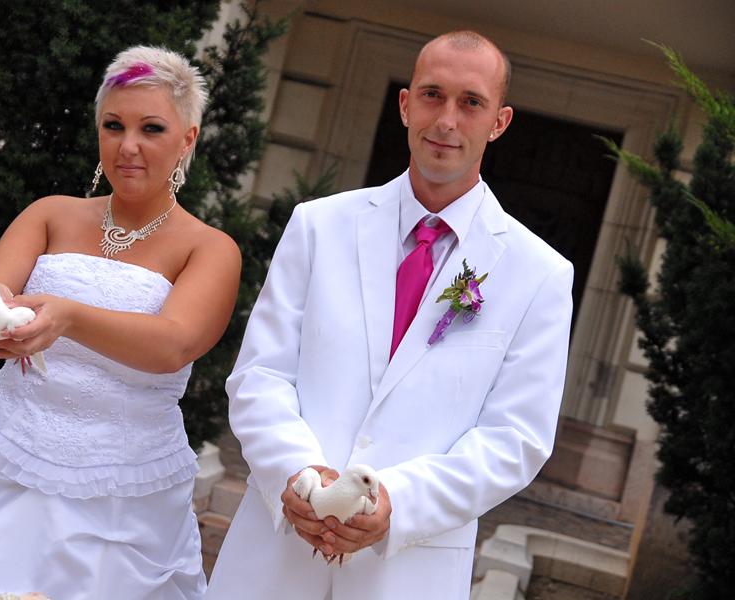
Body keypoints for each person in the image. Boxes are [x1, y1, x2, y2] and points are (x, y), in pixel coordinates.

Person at [0, 45, 240, 600]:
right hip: (0, 458)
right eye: (113, 125)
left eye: (151, 128)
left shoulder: (210, 248)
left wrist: (69, 317)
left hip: (120, 487)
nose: (128, 145)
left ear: (187, 139)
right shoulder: (50, 213)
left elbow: (173, 345)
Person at [206, 31, 573, 600]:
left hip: (409, 572)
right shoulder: (318, 226)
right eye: (432, 95)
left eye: (470, 102)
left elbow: (515, 438)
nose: (446, 120)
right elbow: (260, 374)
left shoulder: (541, 274)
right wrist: (299, 477)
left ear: (498, 122)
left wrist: (395, 504)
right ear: (405, 105)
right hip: (275, 556)